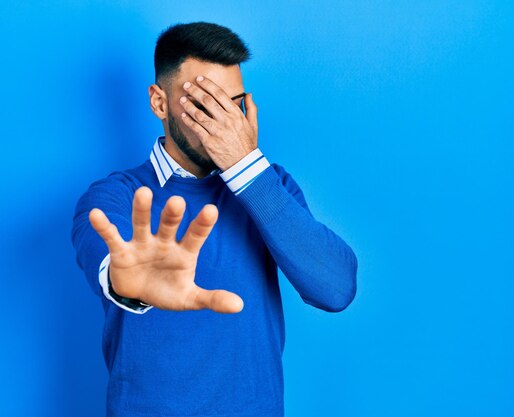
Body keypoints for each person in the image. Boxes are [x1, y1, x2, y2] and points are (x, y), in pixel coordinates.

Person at [70, 21, 358, 417]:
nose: (223, 122)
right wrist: (127, 284)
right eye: (204, 104)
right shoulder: (115, 197)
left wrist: (247, 168)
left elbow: (335, 289)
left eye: (233, 104)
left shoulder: (270, 188)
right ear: (159, 103)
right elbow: (106, 257)